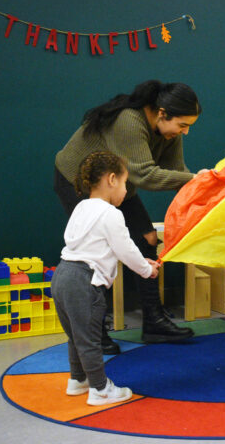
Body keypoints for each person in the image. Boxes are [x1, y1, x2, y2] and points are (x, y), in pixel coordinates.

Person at [55, 80, 207, 352]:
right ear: (162, 113)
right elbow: (146, 174)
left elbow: (176, 172)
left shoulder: (169, 133)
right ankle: (94, 331)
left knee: (147, 238)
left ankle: (154, 322)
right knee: (96, 253)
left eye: (189, 126)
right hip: (79, 181)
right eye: (182, 125)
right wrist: (196, 179)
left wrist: (201, 186)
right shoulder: (129, 121)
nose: (185, 131)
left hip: (118, 185)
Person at [53, 151, 160, 406]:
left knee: (76, 335)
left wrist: (139, 261)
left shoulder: (81, 207)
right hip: (84, 282)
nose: (125, 190)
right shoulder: (111, 213)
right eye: (125, 183)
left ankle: (78, 380)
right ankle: (100, 389)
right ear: (112, 179)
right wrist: (147, 270)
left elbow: (101, 247)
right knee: (89, 339)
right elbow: (125, 249)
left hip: (62, 275)